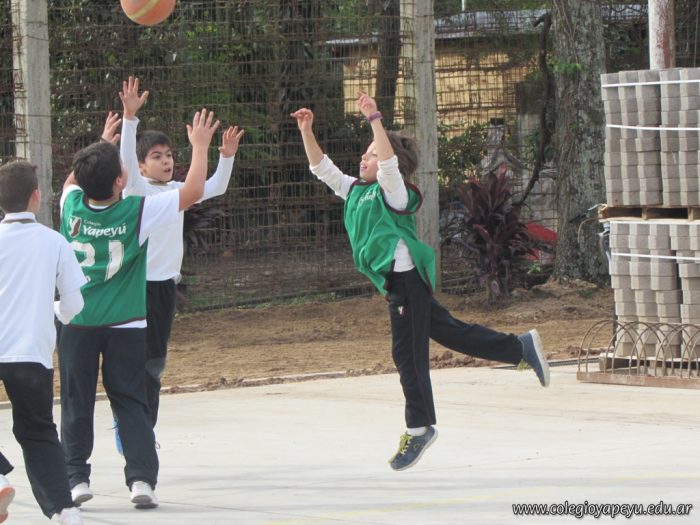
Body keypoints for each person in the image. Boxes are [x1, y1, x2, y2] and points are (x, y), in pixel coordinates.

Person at [291, 93, 550, 472]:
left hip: (405, 281)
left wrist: (374, 119)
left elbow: (389, 165)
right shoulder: (356, 190)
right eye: (366, 153)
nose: (364, 158)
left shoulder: (394, 192)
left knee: (407, 356)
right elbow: (322, 168)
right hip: (398, 285)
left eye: (372, 154)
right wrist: (306, 131)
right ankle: (519, 348)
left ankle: (419, 427)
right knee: (451, 333)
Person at [58, 109, 220, 509]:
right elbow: (193, 191)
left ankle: (75, 479)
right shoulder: (137, 211)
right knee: (131, 400)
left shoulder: (70, 205)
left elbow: (73, 180)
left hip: (77, 322)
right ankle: (141, 481)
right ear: (120, 180)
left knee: (77, 401)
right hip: (126, 324)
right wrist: (201, 146)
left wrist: (101, 145)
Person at [101, 77, 244, 437]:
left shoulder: (179, 190)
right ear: (140, 166)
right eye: (156, 156)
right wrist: (129, 118)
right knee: (136, 361)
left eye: (168, 155)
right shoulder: (136, 191)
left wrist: (225, 157)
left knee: (155, 364)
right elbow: (125, 161)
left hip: (164, 287)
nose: (166, 161)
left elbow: (215, 186)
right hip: (136, 287)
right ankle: (133, 427)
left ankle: (140, 429)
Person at [0, 161, 86, 524]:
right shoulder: (54, 242)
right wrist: (52, 311)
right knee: (37, 431)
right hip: (32, 351)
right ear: (36, 196)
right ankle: (64, 511)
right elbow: (74, 305)